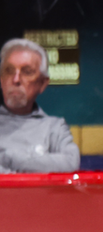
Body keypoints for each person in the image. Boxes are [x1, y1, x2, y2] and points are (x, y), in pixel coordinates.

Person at [0, 38, 80, 174]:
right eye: (9, 70)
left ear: (42, 83)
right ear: (1, 79)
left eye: (27, 71)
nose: (16, 79)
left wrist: (8, 158)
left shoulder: (54, 128)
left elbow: (70, 163)